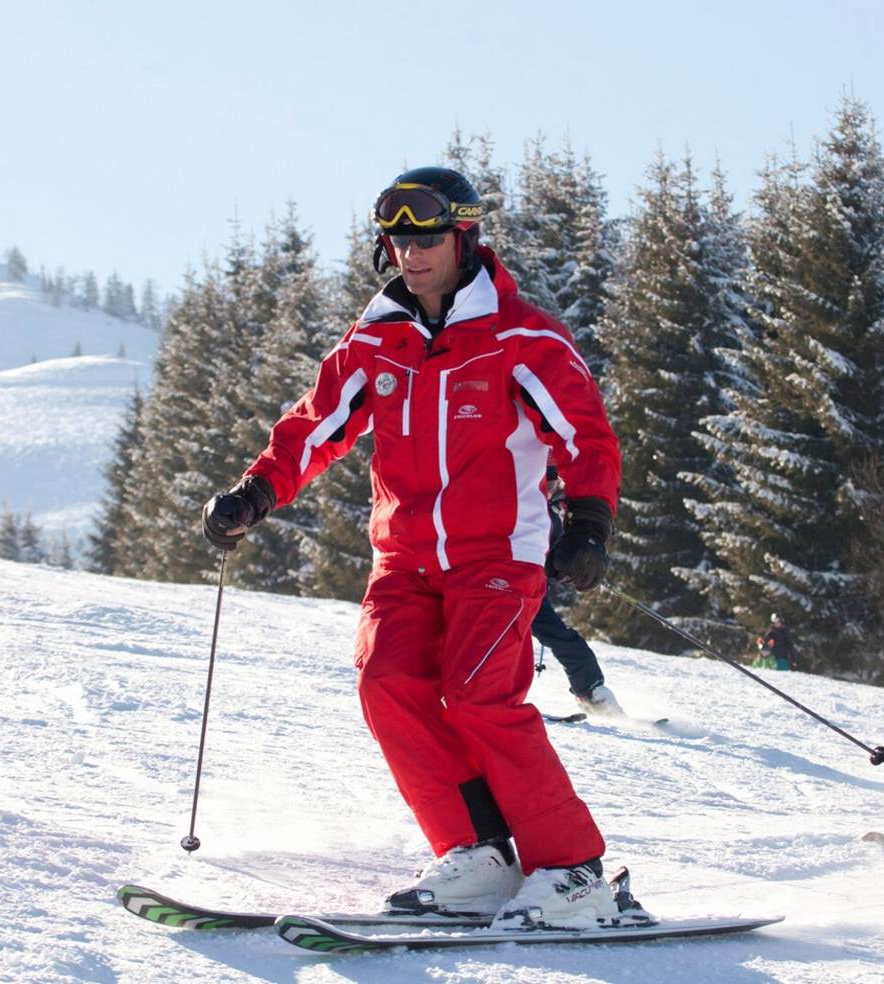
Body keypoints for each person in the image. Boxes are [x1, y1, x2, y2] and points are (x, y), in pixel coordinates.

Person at [201, 166, 625, 929]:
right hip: (404, 559)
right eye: (397, 239)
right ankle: (480, 853)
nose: (411, 253)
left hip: (497, 557)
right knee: (386, 684)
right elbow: (313, 428)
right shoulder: (376, 343)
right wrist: (255, 493)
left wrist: (589, 521)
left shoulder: (521, 337)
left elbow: (584, 434)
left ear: (464, 239)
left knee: (478, 697)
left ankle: (574, 871)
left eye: (427, 236)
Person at [533, 464, 622, 715]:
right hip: (499, 584)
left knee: (565, 640)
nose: (549, 486)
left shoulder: (556, 513)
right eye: (546, 479)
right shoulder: (521, 504)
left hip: (530, 591)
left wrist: (575, 567)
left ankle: (592, 693)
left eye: (552, 480)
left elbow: (559, 555)